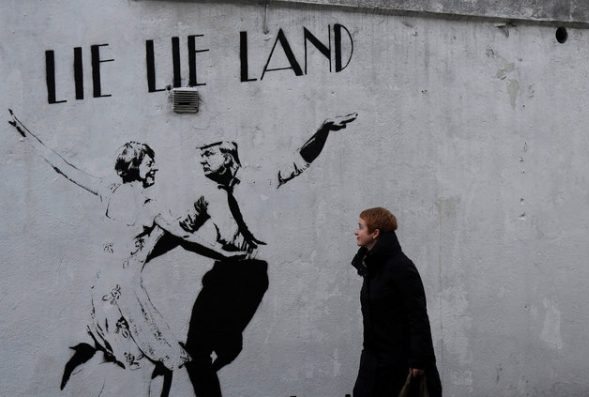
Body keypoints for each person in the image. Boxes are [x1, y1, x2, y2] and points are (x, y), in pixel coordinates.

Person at [7, 110, 242, 396]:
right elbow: (187, 238)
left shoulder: (108, 191)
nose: (154, 167)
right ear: (136, 167)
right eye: (150, 163)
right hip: (126, 295)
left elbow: (62, 167)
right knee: (150, 364)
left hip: (102, 291)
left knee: (150, 362)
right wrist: (223, 254)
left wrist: (24, 132)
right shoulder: (151, 206)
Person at [174, 113, 358, 396]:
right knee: (194, 351)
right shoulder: (207, 197)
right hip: (220, 273)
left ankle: (228, 344)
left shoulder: (259, 176)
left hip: (250, 273)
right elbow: (178, 231)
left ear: (228, 154)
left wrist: (322, 130)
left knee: (223, 342)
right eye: (200, 156)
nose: (201, 161)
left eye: (208, 154)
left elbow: (300, 160)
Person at [351, 207, 442, 397]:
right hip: (373, 361)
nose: (356, 231)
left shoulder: (400, 267)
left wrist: (418, 361)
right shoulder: (372, 266)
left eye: (360, 227)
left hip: (398, 364)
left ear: (375, 233)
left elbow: (417, 316)